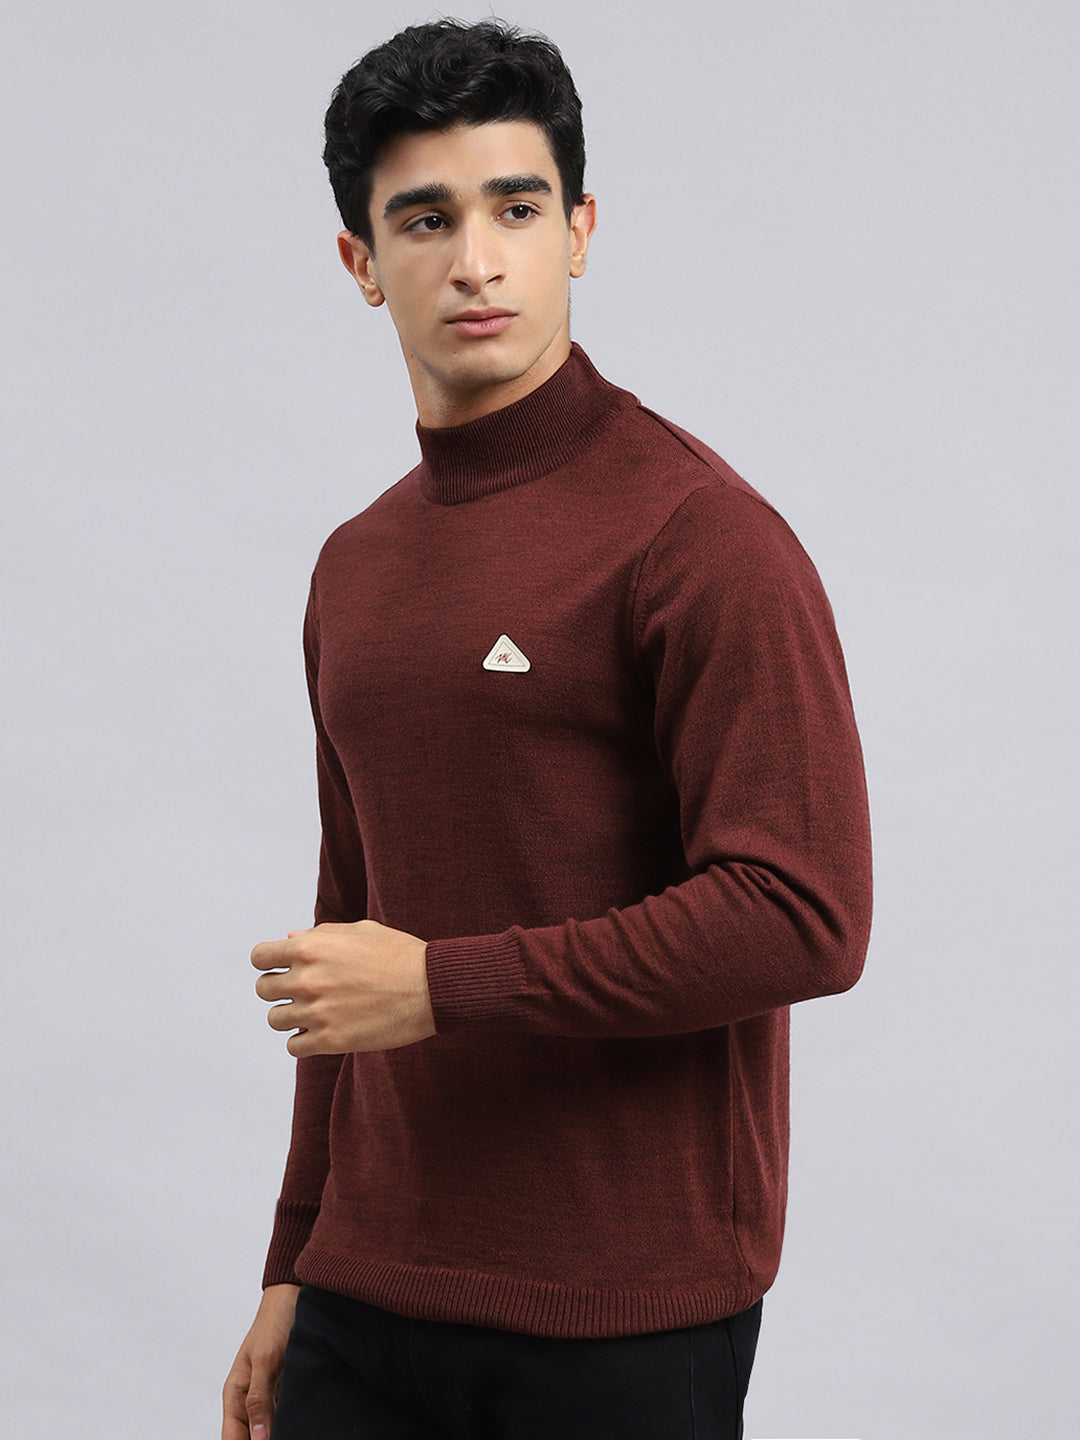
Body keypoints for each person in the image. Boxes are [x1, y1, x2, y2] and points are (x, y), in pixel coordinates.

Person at [222, 18, 872, 1440]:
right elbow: (351, 924)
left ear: (578, 232)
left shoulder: (701, 536)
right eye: (425, 220)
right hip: (363, 1295)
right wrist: (291, 1260)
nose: (476, 260)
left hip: (619, 1314)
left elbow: (804, 916)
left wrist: (445, 986)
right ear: (360, 261)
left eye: (516, 209)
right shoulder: (355, 565)